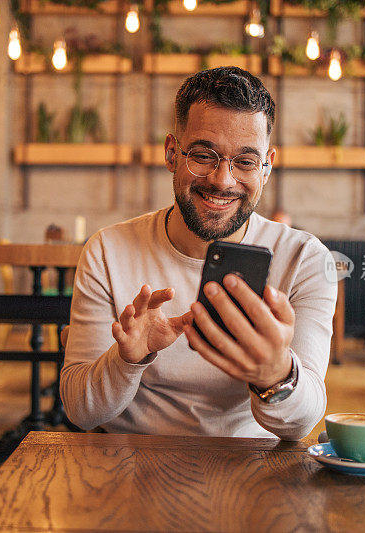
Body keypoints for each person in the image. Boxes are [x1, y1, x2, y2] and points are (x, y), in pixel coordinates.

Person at [60, 67, 337, 440]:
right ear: (172, 153)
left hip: (253, 471)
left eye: (244, 161)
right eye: (204, 156)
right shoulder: (107, 251)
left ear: (267, 165)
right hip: (130, 465)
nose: (222, 180)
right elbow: (81, 412)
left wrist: (275, 374)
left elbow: (301, 424)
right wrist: (127, 360)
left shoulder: (306, 260)